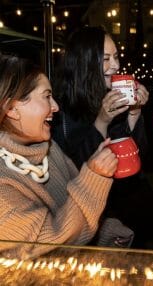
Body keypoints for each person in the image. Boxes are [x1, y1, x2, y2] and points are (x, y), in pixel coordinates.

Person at [51, 26, 153, 248]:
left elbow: (138, 156)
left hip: (130, 206)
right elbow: (75, 169)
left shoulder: (113, 98)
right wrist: (102, 121)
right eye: (105, 59)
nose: (116, 65)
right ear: (85, 63)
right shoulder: (58, 110)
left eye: (115, 56)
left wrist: (134, 112)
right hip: (92, 215)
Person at [0, 54, 118, 259]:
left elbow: (75, 208)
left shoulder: (50, 148)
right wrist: (93, 178)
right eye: (46, 96)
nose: (55, 106)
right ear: (12, 109)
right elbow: (53, 247)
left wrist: (111, 234)